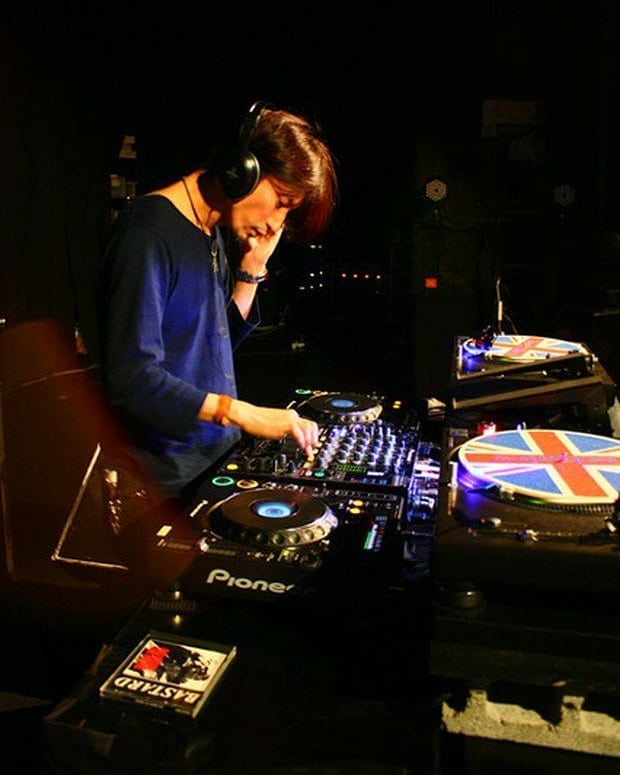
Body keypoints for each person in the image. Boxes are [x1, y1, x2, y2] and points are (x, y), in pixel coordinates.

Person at [98, 102, 338, 502]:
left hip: (209, 463)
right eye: (281, 201)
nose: (278, 224)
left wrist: (252, 270)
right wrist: (241, 411)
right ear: (242, 170)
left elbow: (207, 347)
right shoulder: (147, 234)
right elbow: (132, 377)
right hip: (161, 485)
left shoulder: (209, 231)